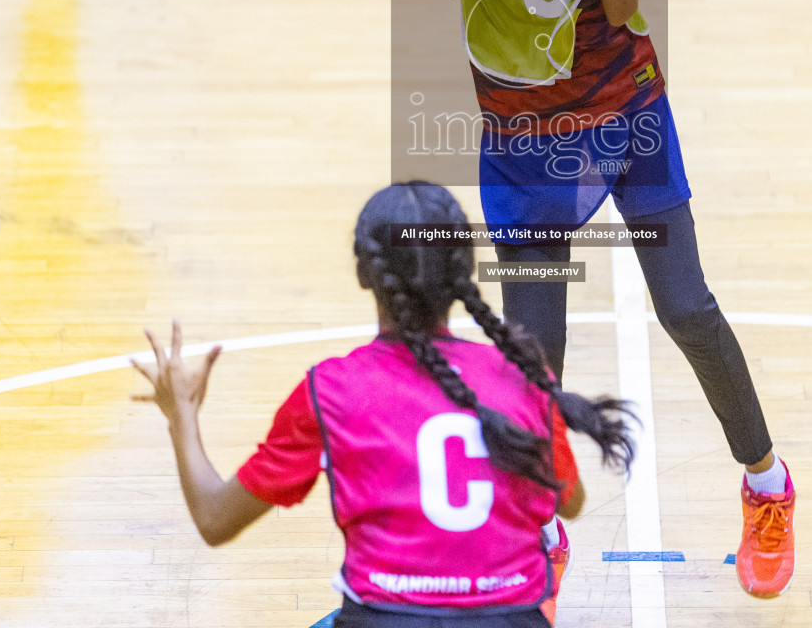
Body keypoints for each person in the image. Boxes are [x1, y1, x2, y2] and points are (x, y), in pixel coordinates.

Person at [191, 0, 797, 599]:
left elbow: (629, 3)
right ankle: (542, 526)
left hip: (624, 122)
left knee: (686, 309)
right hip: (521, 139)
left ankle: (767, 482)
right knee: (532, 353)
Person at [131, 182, 637, 627]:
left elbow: (215, 521)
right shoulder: (520, 378)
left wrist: (183, 418)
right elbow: (569, 501)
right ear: (462, 272)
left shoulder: (332, 390)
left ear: (363, 275)